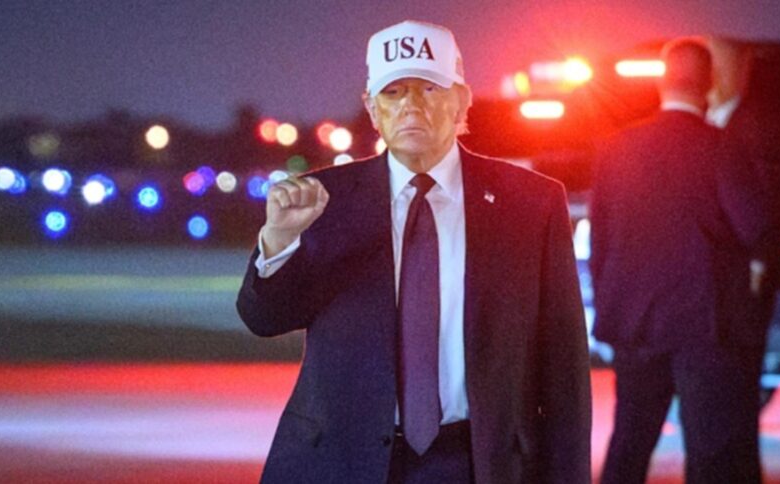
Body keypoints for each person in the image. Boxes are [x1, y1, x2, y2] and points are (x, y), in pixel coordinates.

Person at [236, 19, 591, 484]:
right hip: (344, 462)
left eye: (428, 89)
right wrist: (279, 241)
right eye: (393, 92)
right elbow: (264, 320)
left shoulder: (531, 203)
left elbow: (564, 369)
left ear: (462, 100)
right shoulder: (322, 200)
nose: (410, 106)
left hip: (477, 464)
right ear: (372, 108)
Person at [590, 38, 772, 484]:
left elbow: (602, 241)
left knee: (629, 442)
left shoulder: (616, 148)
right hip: (704, 325)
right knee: (709, 450)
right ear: (709, 82)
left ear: (661, 83)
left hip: (637, 323)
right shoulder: (720, 146)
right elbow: (754, 228)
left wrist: (614, 307)